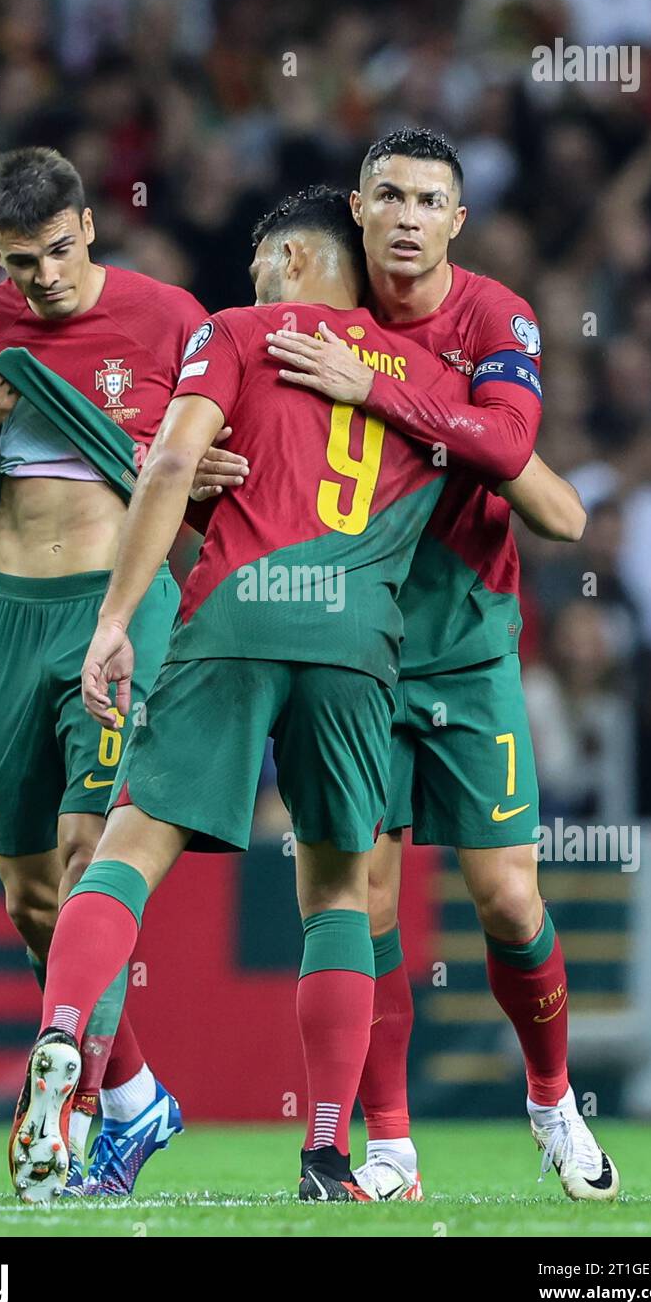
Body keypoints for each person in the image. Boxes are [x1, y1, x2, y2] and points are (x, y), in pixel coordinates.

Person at [8, 184, 476, 1204]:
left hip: (234, 613)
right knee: (339, 894)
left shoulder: (238, 331)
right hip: (356, 640)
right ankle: (323, 1152)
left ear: (304, 263)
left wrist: (117, 619)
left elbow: (174, 458)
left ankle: (60, 1044)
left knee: (130, 847)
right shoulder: (430, 375)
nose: (254, 276)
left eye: (268, 258)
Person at [268, 129, 618, 1203]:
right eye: (390, 196)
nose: (410, 215)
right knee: (364, 900)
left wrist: (372, 388)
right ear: (359, 212)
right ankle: (389, 1146)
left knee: (508, 899)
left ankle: (552, 1098)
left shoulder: (494, 318)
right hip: (353, 655)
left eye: (430, 198)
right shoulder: (323, 313)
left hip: (468, 647)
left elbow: (511, 446)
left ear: (456, 220)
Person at [0, 145, 208, 1193]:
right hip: (9, 620)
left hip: (117, 617)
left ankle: (70, 1113)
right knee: (32, 893)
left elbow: (229, 465)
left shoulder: (170, 318)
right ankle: (135, 1098)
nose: (44, 279)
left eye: (58, 253)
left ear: (90, 222)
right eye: (19, 262)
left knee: (91, 855)